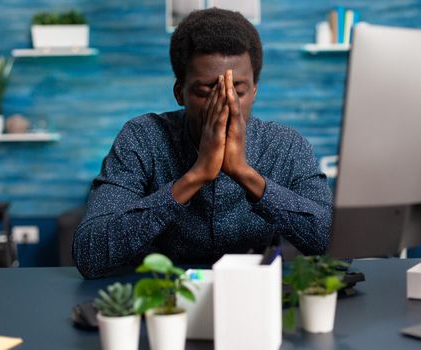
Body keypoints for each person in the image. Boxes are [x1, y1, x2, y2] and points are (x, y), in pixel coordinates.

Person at [73, 8, 333, 279]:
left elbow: (330, 240)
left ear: (255, 90)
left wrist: (246, 174)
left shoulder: (285, 146)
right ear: (179, 92)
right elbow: (89, 254)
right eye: (205, 91)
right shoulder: (142, 138)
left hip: (253, 294)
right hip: (163, 296)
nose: (223, 104)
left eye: (238, 91)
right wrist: (194, 177)